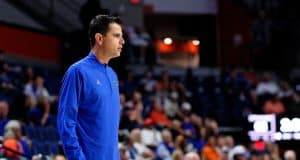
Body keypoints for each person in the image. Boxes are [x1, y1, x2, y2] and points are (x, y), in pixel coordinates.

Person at [57, 15, 125, 160]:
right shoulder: (77, 72)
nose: (122, 41)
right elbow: (66, 122)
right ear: (99, 38)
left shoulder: (113, 75)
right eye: (117, 36)